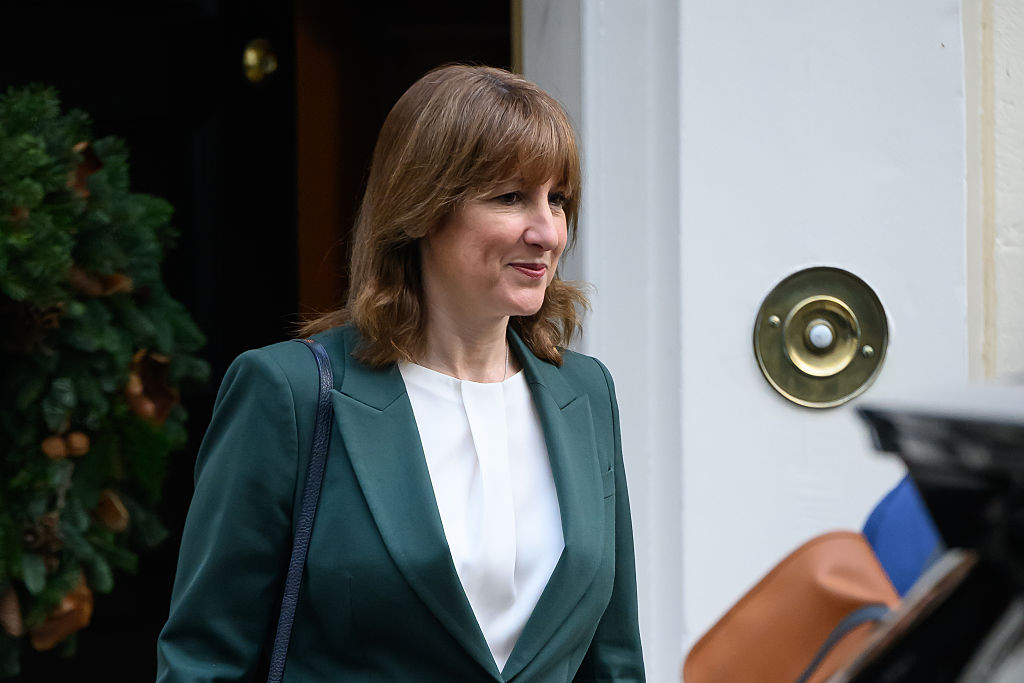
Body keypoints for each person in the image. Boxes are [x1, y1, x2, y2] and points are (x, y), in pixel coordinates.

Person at [156, 64, 645, 682]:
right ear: (423, 208)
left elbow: (614, 660)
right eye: (510, 197)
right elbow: (203, 660)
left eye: (558, 200)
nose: (547, 232)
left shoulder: (586, 393)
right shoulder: (289, 392)